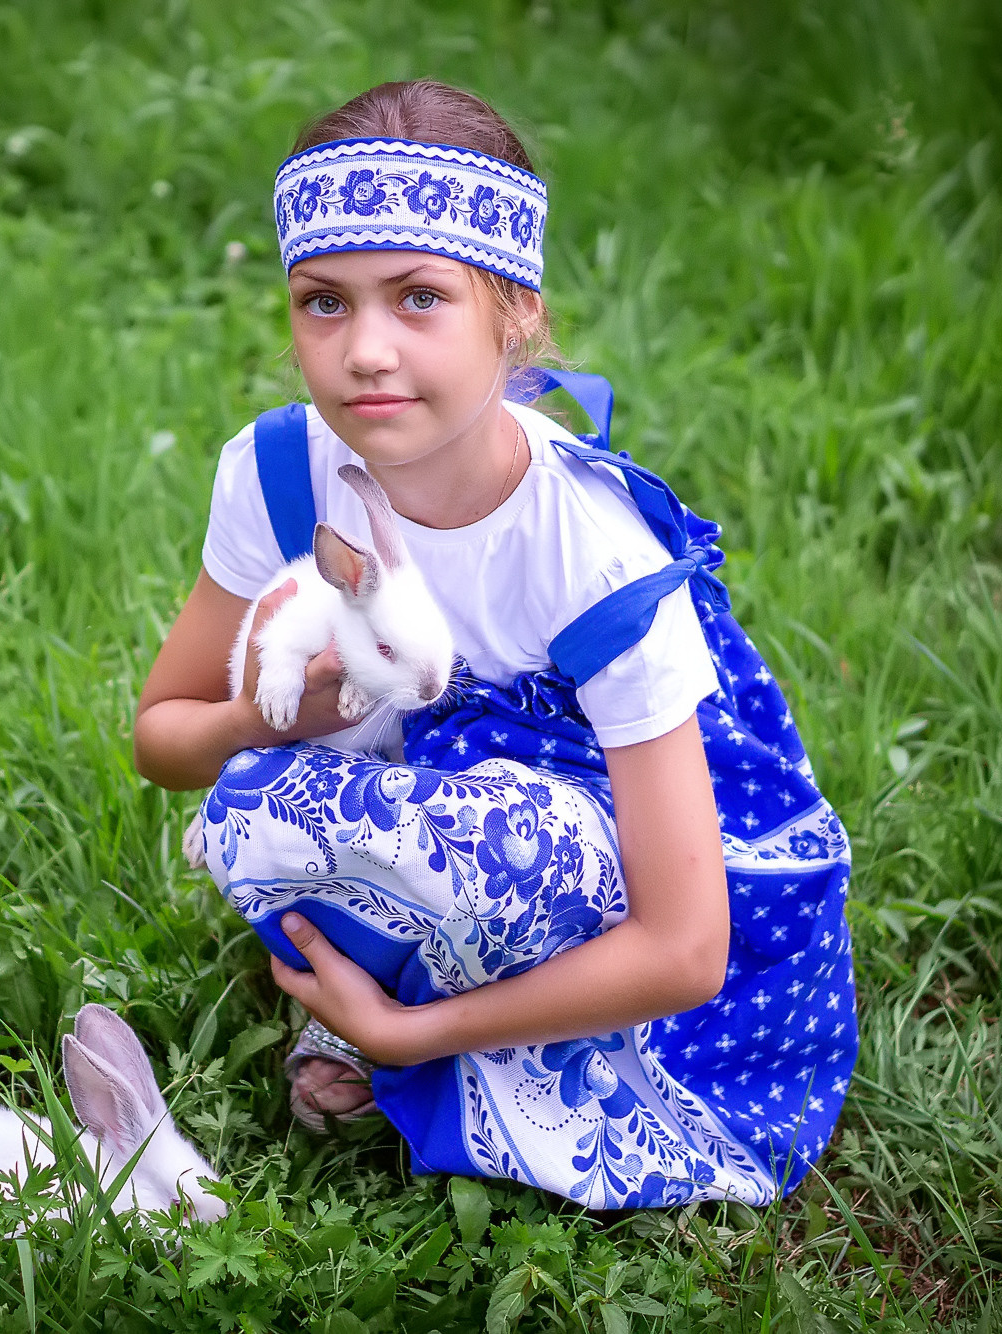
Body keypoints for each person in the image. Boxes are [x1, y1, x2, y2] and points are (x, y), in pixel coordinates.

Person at [133, 80, 855, 1209]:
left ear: (512, 311)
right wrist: (259, 716)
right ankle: (408, 1002)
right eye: (324, 302)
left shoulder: (587, 550)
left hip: (628, 863)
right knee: (249, 804)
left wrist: (409, 1030)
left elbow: (684, 948)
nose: (364, 349)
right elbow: (164, 735)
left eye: (418, 297)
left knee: (463, 837)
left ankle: (414, 1036)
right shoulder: (279, 472)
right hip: (443, 819)